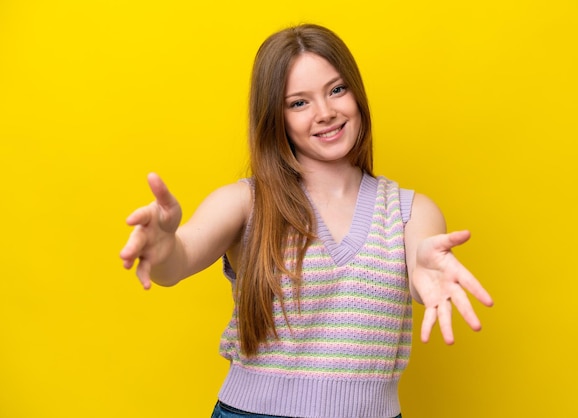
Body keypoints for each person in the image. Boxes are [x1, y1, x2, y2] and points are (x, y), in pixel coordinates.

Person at [120, 23, 493, 418]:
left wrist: (425, 273)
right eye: (299, 103)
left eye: (337, 90)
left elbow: (423, 267)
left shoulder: (410, 211)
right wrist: (163, 249)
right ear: (274, 116)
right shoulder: (246, 202)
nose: (326, 112)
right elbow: (178, 259)